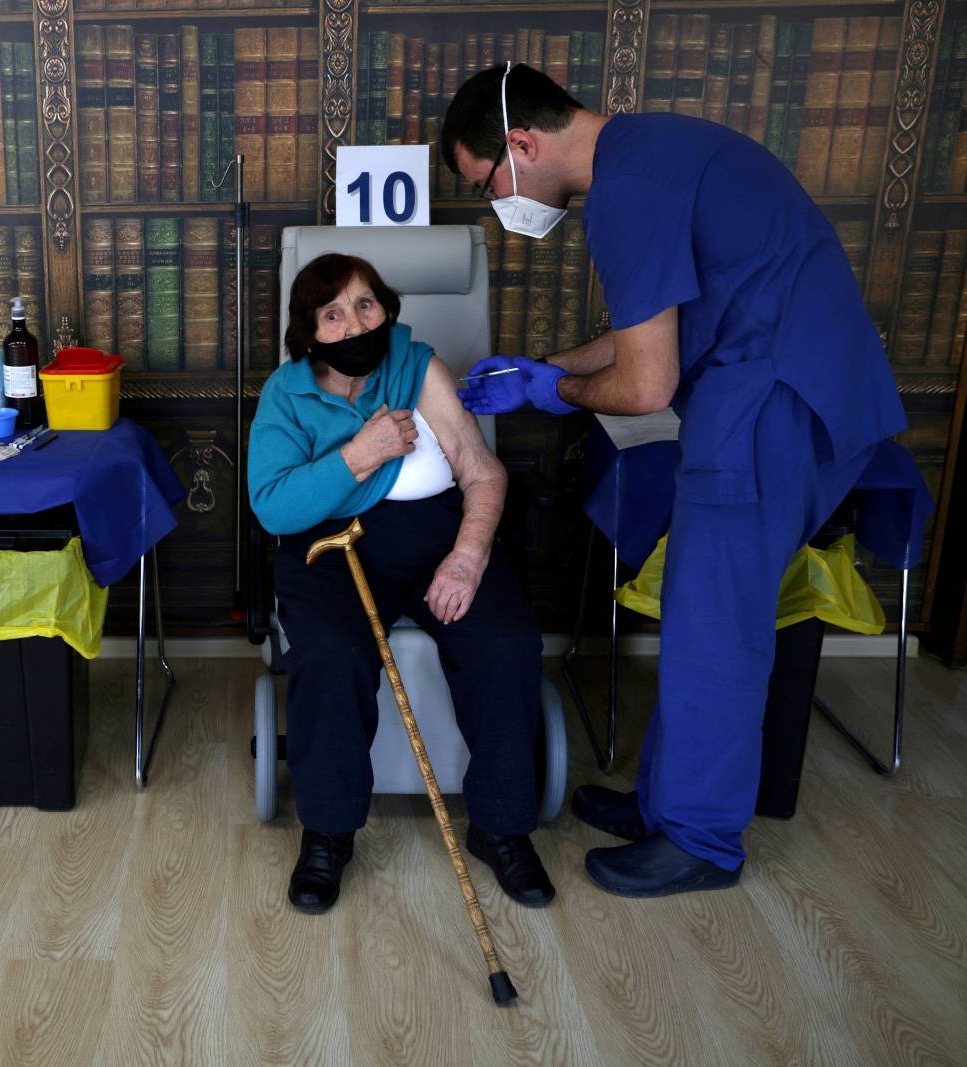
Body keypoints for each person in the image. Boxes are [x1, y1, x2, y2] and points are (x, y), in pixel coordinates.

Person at [441, 62, 906, 898]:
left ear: (522, 143)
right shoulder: (650, 152)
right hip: (779, 386)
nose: (497, 206)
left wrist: (557, 393)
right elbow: (653, 331)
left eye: (488, 185)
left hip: (777, 401)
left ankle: (700, 841)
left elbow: (645, 384)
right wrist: (544, 369)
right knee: (699, 607)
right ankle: (666, 803)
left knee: (714, 625)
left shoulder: (627, 195)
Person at [248, 252, 554, 915]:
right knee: (331, 651)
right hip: (331, 545)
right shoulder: (287, 393)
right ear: (310, 333)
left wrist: (468, 556)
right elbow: (272, 505)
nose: (353, 321)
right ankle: (328, 830)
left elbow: (484, 471)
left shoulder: (418, 366)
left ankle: (501, 825)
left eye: (366, 304)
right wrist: (362, 452)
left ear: (386, 308)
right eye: (333, 313)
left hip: (442, 536)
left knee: (505, 640)